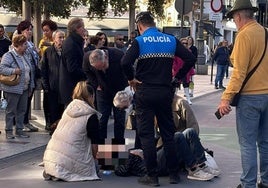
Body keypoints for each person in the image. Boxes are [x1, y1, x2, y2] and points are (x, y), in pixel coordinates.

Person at [121, 11, 196, 186]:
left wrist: (131, 79)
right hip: (165, 92)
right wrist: (177, 78)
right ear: (154, 24)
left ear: (140, 27)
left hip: (145, 91)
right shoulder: (170, 39)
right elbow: (190, 58)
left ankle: (152, 176)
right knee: (168, 133)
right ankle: (173, 174)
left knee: (146, 134)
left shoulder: (139, 41)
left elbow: (125, 62)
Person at [217, 0, 268, 187]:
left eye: (234, 18)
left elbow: (239, 72)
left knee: (247, 144)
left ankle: (248, 183)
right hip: (267, 95)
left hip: (250, 98)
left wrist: (226, 98)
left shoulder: (244, 35)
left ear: (238, 16)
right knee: (265, 143)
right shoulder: (265, 32)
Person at [43, 81, 101, 181]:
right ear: (91, 96)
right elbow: (94, 143)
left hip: (50, 158)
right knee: (104, 161)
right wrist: (97, 159)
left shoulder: (68, 109)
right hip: (70, 160)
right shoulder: (91, 115)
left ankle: (55, 169)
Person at [83, 48, 128, 144]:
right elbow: (87, 71)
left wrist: (125, 90)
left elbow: (129, 70)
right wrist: (96, 84)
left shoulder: (119, 56)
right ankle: (101, 151)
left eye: (103, 66)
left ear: (106, 57)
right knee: (102, 120)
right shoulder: (87, 57)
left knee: (119, 120)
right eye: (98, 68)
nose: (102, 69)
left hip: (118, 90)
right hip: (103, 91)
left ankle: (117, 150)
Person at [0, 34, 35, 139]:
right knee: (11, 111)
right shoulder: (9, 55)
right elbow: (2, 69)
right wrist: (14, 71)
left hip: (24, 88)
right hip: (12, 88)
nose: (26, 46)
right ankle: (9, 131)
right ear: (18, 45)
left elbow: (30, 71)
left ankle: (19, 130)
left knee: (22, 110)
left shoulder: (25, 55)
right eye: (24, 44)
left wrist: (30, 86)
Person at [16, 20, 40, 132]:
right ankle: (21, 123)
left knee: (27, 100)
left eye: (31, 29)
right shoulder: (18, 41)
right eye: (27, 30)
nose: (30, 32)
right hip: (23, 76)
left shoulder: (30, 43)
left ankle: (25, 121)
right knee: (22, 102)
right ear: (21, 30)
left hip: (32, 75)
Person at [41, 30, 65, 131]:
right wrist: (45, 85)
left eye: (63, 37)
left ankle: (60, 129)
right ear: (54, 39)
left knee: (62, 110)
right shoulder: (48, 51)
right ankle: (53, 128)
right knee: (52, 109)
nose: (62, 39)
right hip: (52, 86)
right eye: (60, 37)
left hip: (64, 87)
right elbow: (44, 69)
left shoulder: (66, 51)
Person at [59, 17, 87, 107]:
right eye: (83, 27)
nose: (84, 29)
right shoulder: (71, 44)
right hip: (71, 87)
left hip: (74, 86)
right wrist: (87, 73)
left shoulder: (75, 42)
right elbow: (72, 68)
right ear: (77, 28)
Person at [39, 19, 58, 129]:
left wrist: (50, 43)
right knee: (47, 100)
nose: (45, 33)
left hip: (56, 74)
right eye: (43, 31)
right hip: (47, 71)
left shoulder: (58, 39)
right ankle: (48, 121)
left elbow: (61, 45)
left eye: (47, 31)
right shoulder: (42, 41)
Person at [0, 24, 12, 100]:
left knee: (5, 85)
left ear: (4, 31)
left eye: (1, 31)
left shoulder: (8, 42)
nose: (0, 33)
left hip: (5, 67)